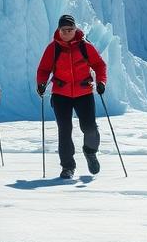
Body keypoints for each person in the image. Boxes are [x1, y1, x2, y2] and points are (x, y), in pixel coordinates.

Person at [35, 14, 107, 180]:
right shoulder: (53, 48)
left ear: (75, 29)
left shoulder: (85, 47)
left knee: (89, 128)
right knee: (65, 130)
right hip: (61, 95)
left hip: (84, 93)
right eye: (64, 30)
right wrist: (41, 83)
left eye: (70, 29)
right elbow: (43, 69)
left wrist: (101, 82)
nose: (67, 32)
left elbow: (99, 65)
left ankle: (90, 152)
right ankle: (67, 167)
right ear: (59, 31)